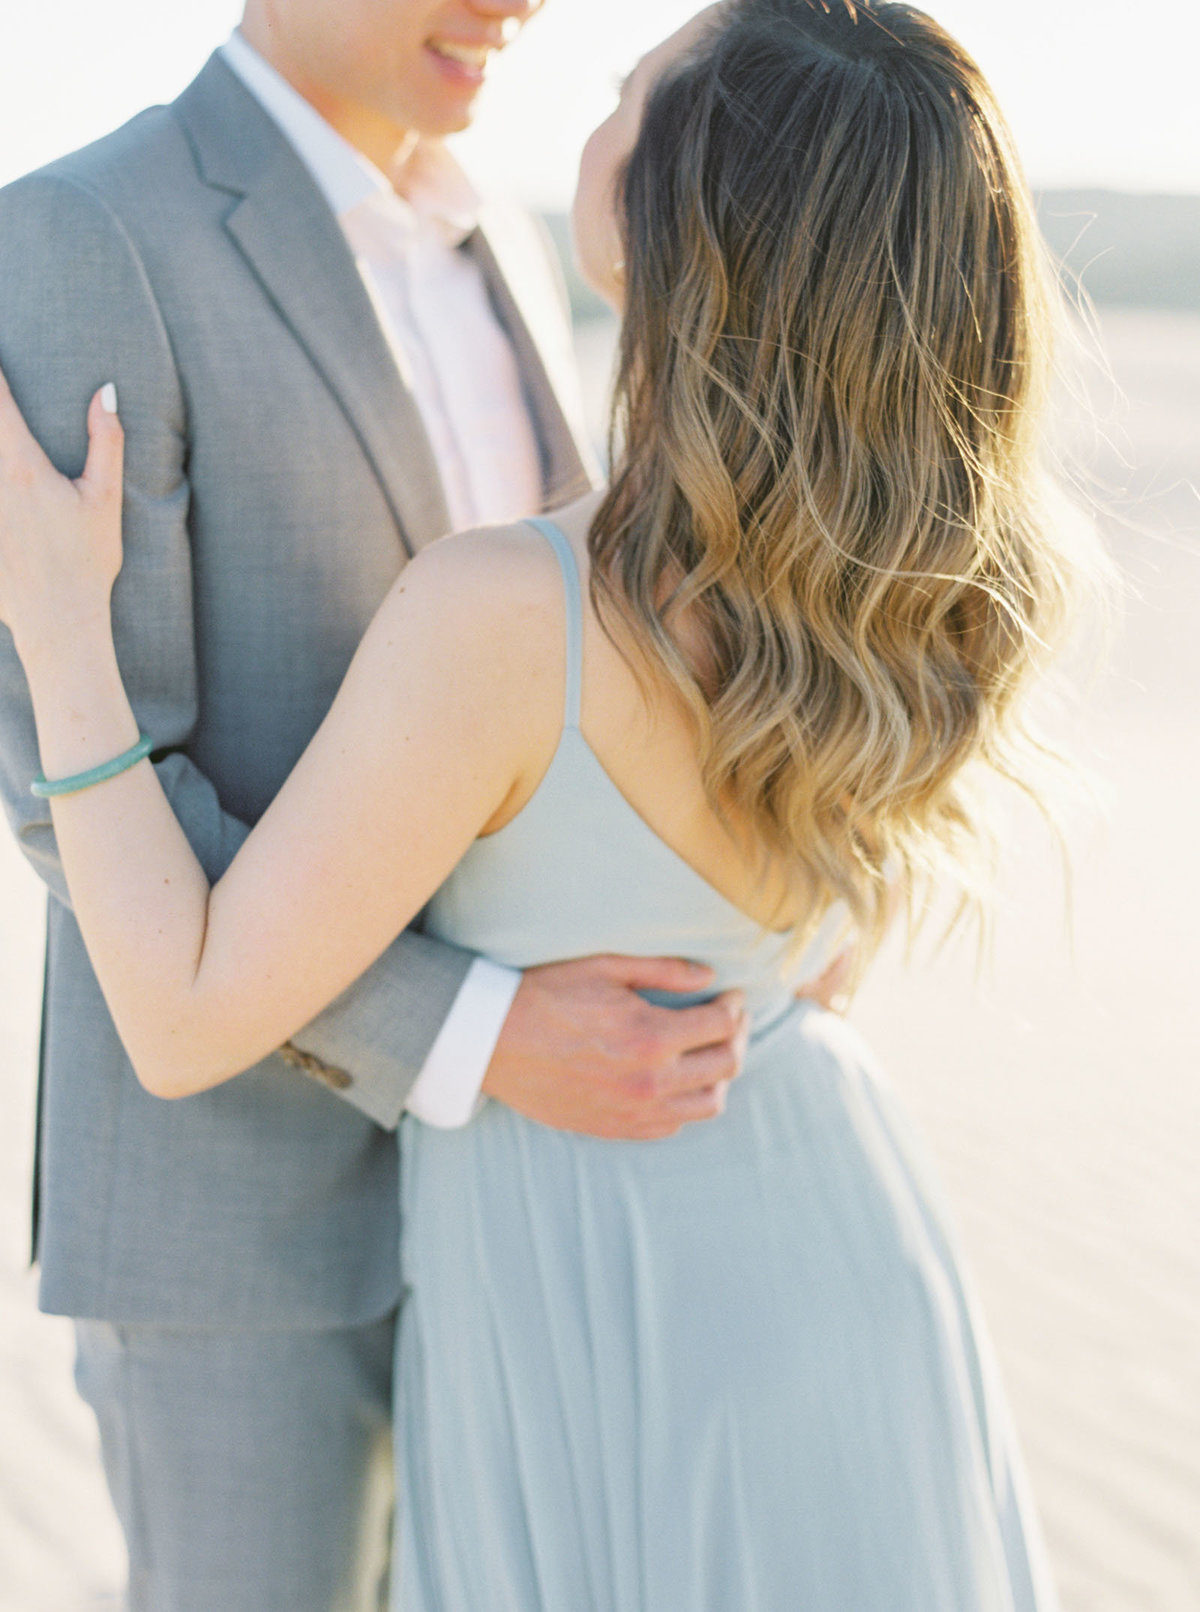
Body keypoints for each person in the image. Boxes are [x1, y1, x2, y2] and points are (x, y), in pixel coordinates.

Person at [0, 0, 1102, 1606]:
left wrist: (50, 620)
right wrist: (492, 1023)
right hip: (382, 1229)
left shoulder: (512, 429)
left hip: (619, 1245)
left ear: (680, 220)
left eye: (631, 91)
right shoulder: (89, 237)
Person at [0, 1, 755, 1606]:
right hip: (246, 1223)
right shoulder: (83, 235)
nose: (514, 4)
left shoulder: (520, 250)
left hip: (528, 1209)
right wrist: (479, 1034)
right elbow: (82, 782)